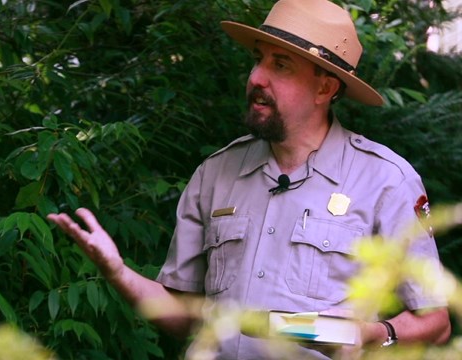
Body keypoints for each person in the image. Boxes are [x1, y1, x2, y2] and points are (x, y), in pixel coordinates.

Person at [47, 0, 451, 358]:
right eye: (258, 59)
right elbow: (184, 316)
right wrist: (118, 272)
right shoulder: (215, 174)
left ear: (324, 87)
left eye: (280, 65)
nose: (256, 77)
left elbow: (436, 323)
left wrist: (374, 334)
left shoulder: (385, 181)